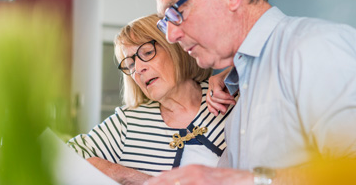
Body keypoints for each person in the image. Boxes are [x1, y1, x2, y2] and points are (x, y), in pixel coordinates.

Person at [149, 0, 356, 184]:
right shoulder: (244, 79)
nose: (171, 35)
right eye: (165, 23)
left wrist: (249, 180)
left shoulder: (316, 46)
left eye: (176, 11)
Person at [67, 14, 236, 185]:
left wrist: (233, 75)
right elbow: (66, 156)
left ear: (175, 47)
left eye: (147, 53)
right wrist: (127, 176)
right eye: (130, 64)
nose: (138, 69)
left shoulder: (224, 94)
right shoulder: (128, 122)